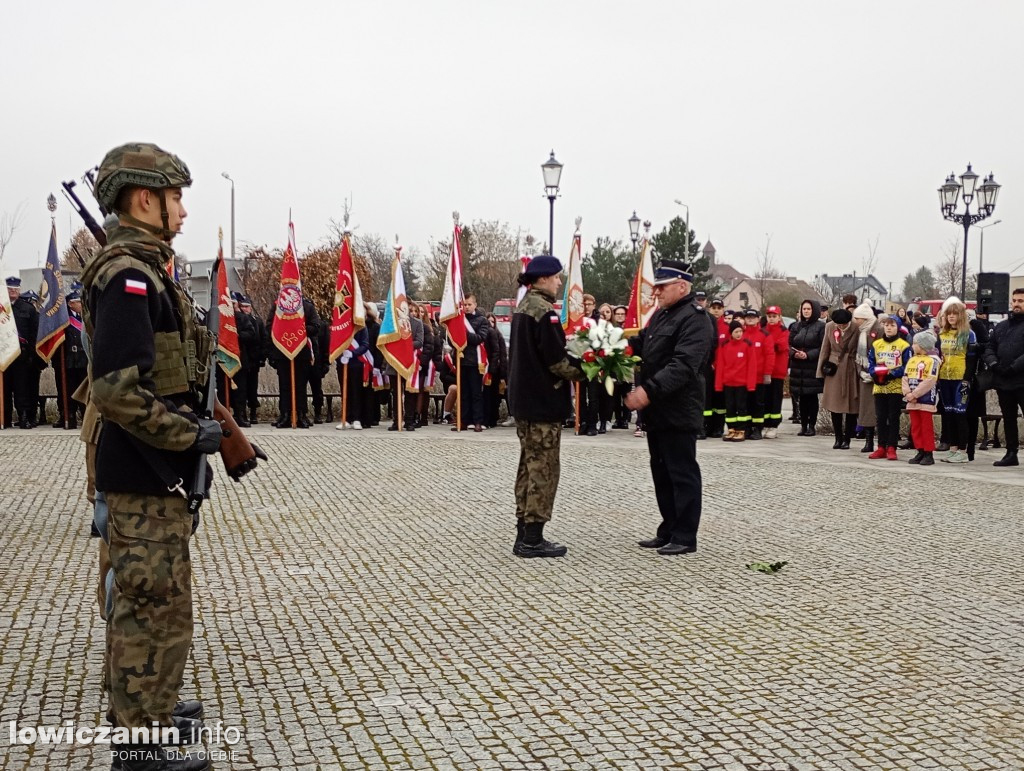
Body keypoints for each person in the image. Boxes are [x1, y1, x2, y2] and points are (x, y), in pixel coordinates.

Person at [82, 142, 221, 770]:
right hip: (142, 473)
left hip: (150, 471)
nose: (184, 211)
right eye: (176, 197)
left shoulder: (145, 269)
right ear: (145, 200)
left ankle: (149, 706)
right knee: (151, 604)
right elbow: (117, 390)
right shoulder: (128, 276)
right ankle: (140, 746)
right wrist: (190, 437)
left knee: (154, 602)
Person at [626, 260, 714, 556]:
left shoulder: (696, 319)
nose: (657, 292)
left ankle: (686, 535)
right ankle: (669, 528)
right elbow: (644, 344)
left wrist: (648, 391)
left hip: (678, 408)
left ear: (681, 286)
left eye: (662, 287)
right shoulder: (663, 315)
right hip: (658, 410)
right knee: (661, 472)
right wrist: (616, 346)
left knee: (682, 472)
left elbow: (684, 365)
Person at [507, 255, 583, 558]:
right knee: (543, 469)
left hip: (526, 402)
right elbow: (557, 362)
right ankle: (532, 539)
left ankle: (523, 532)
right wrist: (588, 368)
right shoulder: (544, 312)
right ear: (541, 280)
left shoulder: (524, 308)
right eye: (555, 277)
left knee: (528, 466)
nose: (559, 281)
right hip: (542, 402)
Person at [983, 287, 1024, 467]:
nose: (1016, 304)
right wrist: (994, 364)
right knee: (1009, 418)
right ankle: (1011, 453)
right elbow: (990, 347)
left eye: (1020, 301)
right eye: (1014, 301)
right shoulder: (1002, 325)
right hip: (1003, 381)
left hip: (1022, 379)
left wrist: (1014, 367)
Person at [935, 299, 977, 464]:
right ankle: (952, 448)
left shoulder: (968, 334)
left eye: (955, 314)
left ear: (961, 316)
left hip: (961, 379)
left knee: (960, 414)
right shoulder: (941, 334)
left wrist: (967, 379)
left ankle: (962, 450)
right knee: (949, 413)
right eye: (949, 314)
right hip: (944, 378)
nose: (951, 317)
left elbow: (972, 360)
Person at [867, 315, 911, 460]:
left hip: (895, 386)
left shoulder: (903, 345)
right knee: (880, 417)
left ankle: (892, 447)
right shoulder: (876, 344)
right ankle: (881, 446)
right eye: (886, 325)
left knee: (893, 417)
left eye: (892, 325)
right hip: (879, 386)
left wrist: (891, 374)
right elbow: (871, 362)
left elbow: (906, 365)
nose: (889, 328)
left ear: (897, 327)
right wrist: (875, 374)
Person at [817, 308, 860, 449]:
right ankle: (838, 437)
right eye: (838, 325)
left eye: (844, 325)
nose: (841, 327)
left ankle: (847, 438)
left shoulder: (856, 327)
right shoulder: (829, 327)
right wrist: (820, 371)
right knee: (834, 405)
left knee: (851, 407)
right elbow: (825, 348)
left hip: (851, 367)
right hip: (834, 368)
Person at [51, 287, 89, 429]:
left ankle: (85, 415)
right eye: (78, 302)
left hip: (83, 360)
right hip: (67, 360)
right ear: (70, 304)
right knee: (67, 390)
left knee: (84, 389)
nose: (81, 304)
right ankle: (68, 416)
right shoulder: (63, 320)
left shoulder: (86, 317)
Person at [5, 276, 39, 428]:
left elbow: (33, 334)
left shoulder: (28, 309)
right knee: (4, 388)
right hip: (3, 354)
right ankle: (4, 418)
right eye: (10, 289)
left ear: (19, 290)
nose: (13, 291)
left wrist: (31, 354)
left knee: (22, 388)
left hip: (21, 354)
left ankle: (23, 417)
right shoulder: (2, 308)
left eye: (15, 289)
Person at [902, 330, 940, 466]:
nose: (912, 346)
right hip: (911, 399)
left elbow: (930, 380)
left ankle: (929, 452)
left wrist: (915, 394)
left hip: (925, 399)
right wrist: (907, 393)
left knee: (926, 427)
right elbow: (905, 377)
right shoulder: (912, 360)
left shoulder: (933, 360)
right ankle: (920, 450)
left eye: (915, 343)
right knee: (916, 427)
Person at [789, 299, 826, 436]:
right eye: (804, 309)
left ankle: (811, 425)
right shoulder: (796, 326)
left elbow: (823, 346)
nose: (806, 311)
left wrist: (808, 355)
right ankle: (803, 425)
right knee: (801, 398)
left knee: (811, 397)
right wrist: (794, 353)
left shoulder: (821, 326)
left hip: (812, 365)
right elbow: (788, 343)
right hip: (798, 365)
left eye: (808, 309)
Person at [715, 319, 756, 441]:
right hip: (728, 383)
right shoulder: (724, 345)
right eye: (736, 331)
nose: (738, 334)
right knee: (730, 407)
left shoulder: (747, 345)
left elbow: (752, 366)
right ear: (731, 333)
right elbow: (720, 365)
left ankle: (741, 430)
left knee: (741, 407)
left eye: (740, 331)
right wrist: (718, 385)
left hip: (741, 384)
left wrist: (751, 385)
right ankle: (731, 429)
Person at [454, 294, 490, 431]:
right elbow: (453, 340)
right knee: (463, 393)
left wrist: (464, 334)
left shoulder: (482, 320)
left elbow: (480, 338)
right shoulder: (459, 319)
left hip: (475, 361)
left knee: (476, 393)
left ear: (475, 305)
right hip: (461, 360)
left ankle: (477, 421)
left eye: (469, 304)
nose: (467, 307)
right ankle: (463, 420)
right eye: (465, 305)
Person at [852, 303, 882, 453]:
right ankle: (868, 440)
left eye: (857, 318)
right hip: (864, 375)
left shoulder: (878, 329)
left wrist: (874, 372)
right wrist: (861, 371)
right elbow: (858, 354)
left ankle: (883, 443)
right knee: (866, 409)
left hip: (878, 376)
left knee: (877, 410)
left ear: (864, 318)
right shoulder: (861, 331)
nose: (855, 321)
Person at [762, 305, 789, 438]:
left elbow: (781, 346)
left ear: (779, 317)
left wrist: (768, 344)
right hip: (764, 371)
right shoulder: (763, 330)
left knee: (775, 399)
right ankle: (765, 424)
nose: (771, 319)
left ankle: (773, 425)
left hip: (777, 371)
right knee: (764, 398)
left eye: (774, 316)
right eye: (769, 316)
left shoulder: (784, 330)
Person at [742, 308, 769, 440]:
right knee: (746, 403)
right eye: (748, 317)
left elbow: (769, 355)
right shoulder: (740, 334)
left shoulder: (764, 335)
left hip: (759, 377)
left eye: (753, 317)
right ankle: (747, 428)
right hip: (744, 378)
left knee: (758, 403)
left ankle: (758, 428)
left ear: (758, 319)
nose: (750, 319)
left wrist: (767, 373)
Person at [237, 296, 265, 424]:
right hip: (242, 358)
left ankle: (253, 411)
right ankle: (242, 413)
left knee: (252, 388)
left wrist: (262, 358)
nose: (245, 309)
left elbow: (262, 339)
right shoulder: (239, 320)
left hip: (254, 360)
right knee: (241, 388)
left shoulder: (257, 321)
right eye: (242, 306)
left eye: (247, 306)